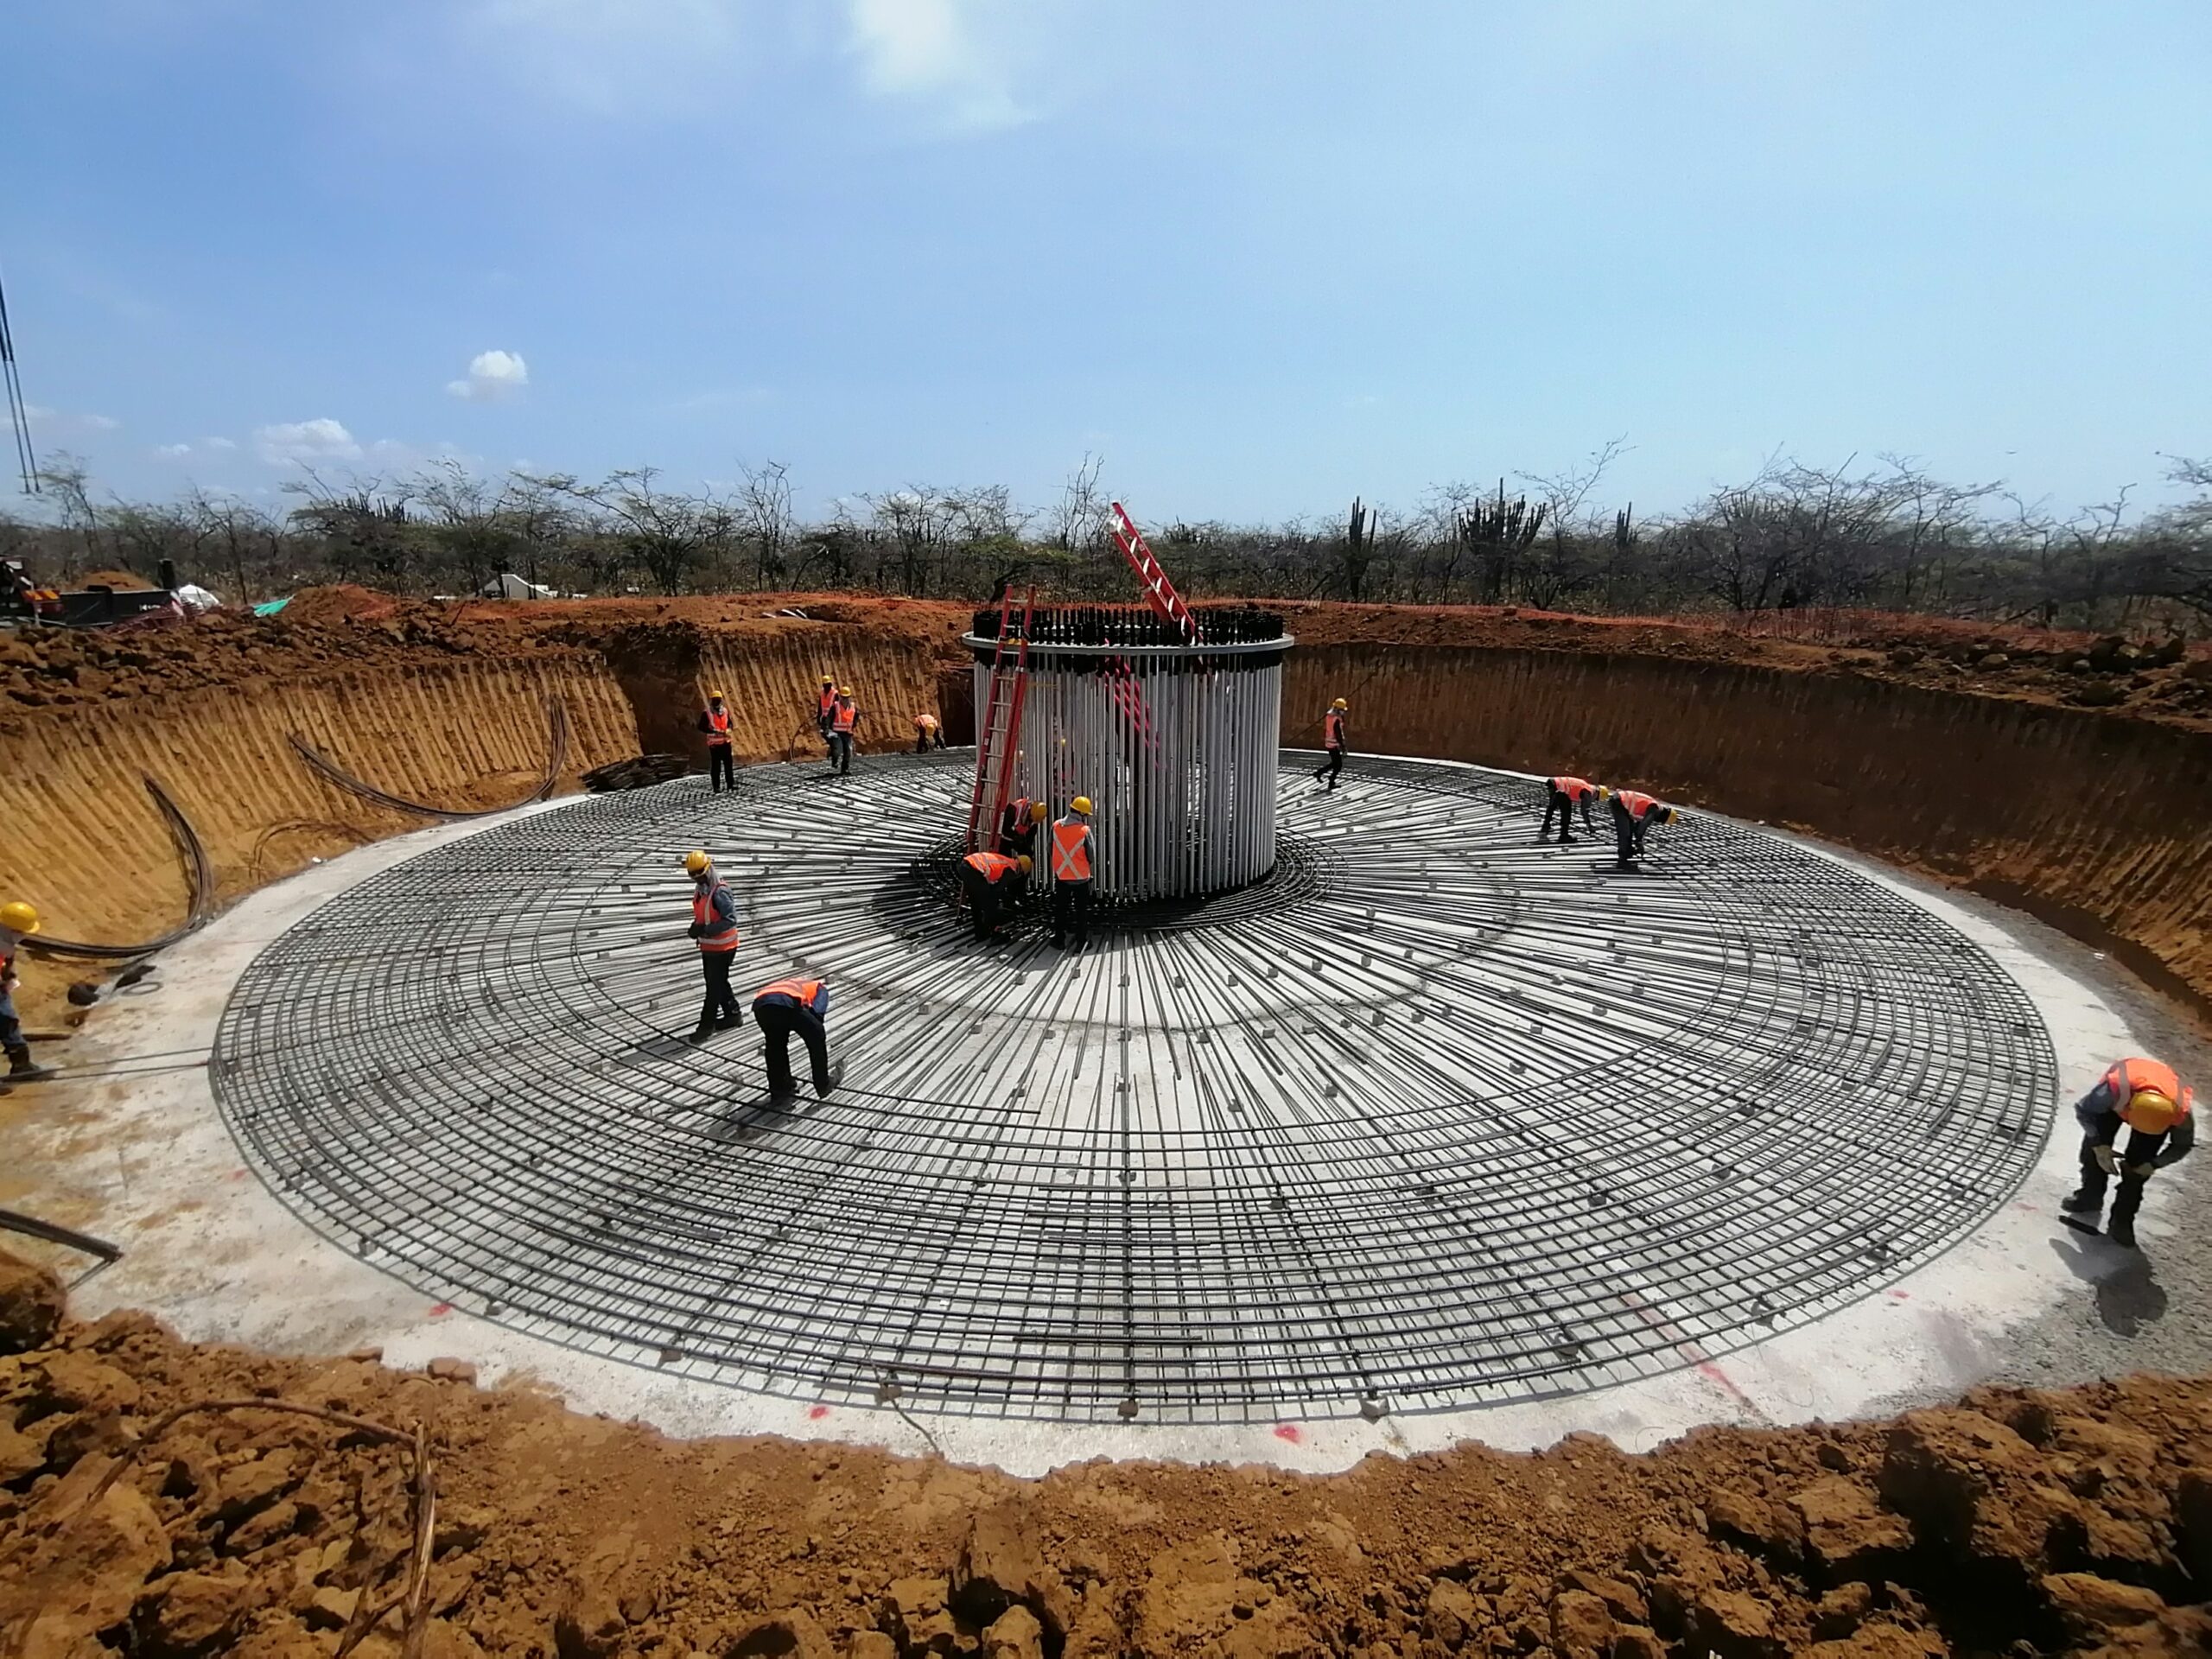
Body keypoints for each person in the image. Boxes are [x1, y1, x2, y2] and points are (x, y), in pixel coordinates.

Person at [2063, 1058, 2195, 1249]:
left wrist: (2154, 1164)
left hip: (2155, 1108)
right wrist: (2099, 1145)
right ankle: (2089, 1197)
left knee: (2138, 1168)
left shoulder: (2180, 1112)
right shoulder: (2112, 1091)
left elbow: (2182, 1145)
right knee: (2093, 1151)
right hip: (2120, 1101)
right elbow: (2084, 1111)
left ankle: (2122, 1222)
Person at [683, 850, 741, 1044]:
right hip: (710, 948)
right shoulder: (702, 889)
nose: (697, 879)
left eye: (699, 875)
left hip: (723, 948)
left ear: (708, 869)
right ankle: (733, 1014)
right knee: (718, 982)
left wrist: (705, 930)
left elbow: (730, 920)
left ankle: (706, 1027)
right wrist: (696, 927)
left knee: (713, 988)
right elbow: (705, 913)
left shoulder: (720, 891)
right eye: (693, 876)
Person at [753, 975, 834, 1098]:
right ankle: (823, 1084)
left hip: (762, 1006)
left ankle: (780, 1088)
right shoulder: (819, 987)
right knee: (817, 1036)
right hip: (787, 1004)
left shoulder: (790, 983)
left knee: (775, 1044)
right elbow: (817, 1014)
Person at [1, 901, 52, 1084]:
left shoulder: (4, 942)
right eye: (21, 932)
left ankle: (22, 1066)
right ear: (12, 930)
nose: (23, 936)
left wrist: (7, 976)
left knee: (7, 1021)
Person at [1050, 796, 1096, 948]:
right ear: (1082, 814)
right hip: (1081, 879)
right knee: (1081, 912)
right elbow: (1092, 855)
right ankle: (1081, 942)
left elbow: (1049, 848)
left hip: (1062, 877)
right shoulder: (1085, 831)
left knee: (1060, 910)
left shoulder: (1056, 826)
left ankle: (1059, 940)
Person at [957, 851, 1032, 941]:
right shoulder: (1010, 869)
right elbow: (996, 891)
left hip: (965, 865)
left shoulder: (1006, 861)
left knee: (976, 902)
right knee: (990, 903)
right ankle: (995, 933)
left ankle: (980, 934)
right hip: (974, 870)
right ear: (1021, 869)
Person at [1607, 788, 1679, 866]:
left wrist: (1637, 841)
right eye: (1661, 821)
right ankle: (1623, 854)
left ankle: (1627, 850)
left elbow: (1636, 828)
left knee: (1629, 829)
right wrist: (1639, 842)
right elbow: (1642, 827)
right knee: (1625, 832)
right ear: (1664, 817)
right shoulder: (1654, 809)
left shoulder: (1652, 806)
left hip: (1620, 802)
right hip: (1619, 802)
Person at [1541, 776, 1603, 843]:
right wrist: (1589, 825)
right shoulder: (1588, 791)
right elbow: (1584, 811)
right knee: (1566, 813)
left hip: (1553, 782)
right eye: (1596, 799)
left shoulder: (1585, 785)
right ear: (1597, 793)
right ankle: (1564, 836)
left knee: (1552, 807)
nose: (1594, 800)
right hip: (1561, 788)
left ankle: (1545, 829)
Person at [697, 689, 736, 791]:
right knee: (716, 767)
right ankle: (716, 786)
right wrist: (713, 731)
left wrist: (729, 729)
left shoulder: (725, 711)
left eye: (718, 700)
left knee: (728, 766)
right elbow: (701, 727)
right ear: (712, 700)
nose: (717, 702)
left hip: (726, 742)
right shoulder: (707, 713)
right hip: (714, 745)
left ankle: (730, 785)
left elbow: (730, 723)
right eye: (715, 700)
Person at [1313, 698, 1350, 790]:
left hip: (1329, 743)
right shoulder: (1337, 719)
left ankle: (1320, 774)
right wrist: (1343, 747)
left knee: (1335, 763)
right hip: (1334, 744)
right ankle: (1330, 781)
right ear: (1338, 710)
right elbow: (1338, 734)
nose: (1343, 712)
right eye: (1342, 710)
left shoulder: (1329, 716)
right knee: (1338, 765)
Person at [997, 796, 1046, 862]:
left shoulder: (1034, 821)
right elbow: (1004, 830)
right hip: (1007, 836)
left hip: (1018, 836)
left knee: (1027, 852)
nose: (1031, 821)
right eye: (1030, 818)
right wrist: (1016, 838)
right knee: (1005, 855)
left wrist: (1027, 851)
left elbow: (1029, 840)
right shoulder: (1013, 809)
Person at [828, 687, 859, 776]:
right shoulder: (835, 706)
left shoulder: (853, 707)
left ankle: (845, 769)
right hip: (837, 732)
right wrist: (828, 728)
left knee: (848, 751)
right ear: (840, 697)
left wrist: (853, 725)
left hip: (847, 733)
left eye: (847, 697)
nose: (845, 700)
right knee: (838, 749)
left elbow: (856, 716)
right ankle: (834, 760)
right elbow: (829, 717)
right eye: (843, 697)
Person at [815, 675, 839, 753]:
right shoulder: (822, 693)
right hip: (825, 717)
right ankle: (832, 749)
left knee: (833, 734)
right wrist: (819, 716)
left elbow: (837, 707)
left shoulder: (834, 693)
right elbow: (820, 705)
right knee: (825, 734)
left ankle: (835, 750)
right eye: (825, 685)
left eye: (828, 685)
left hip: (832, 718)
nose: (826, 686)